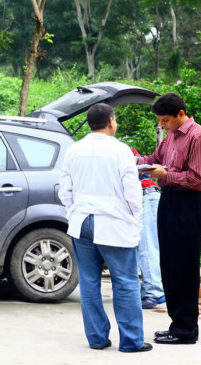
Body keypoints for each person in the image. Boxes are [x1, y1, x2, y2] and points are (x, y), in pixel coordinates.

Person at [59, 103, 152, 352]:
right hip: (114, 222)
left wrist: (73, 211)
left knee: (89, 282)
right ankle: (131, 341)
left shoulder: (74, 150)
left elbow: (64, 190)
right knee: (125, 281)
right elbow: (132, 189)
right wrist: (135, 216)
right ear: (111, 121)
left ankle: (97, 339)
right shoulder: (121, 151)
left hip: (82, 222)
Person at [135, 92, 201, 345]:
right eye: (160, 121)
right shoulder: (171, 137)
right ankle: (176, 324)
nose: (162, 125)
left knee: (184, 269)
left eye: (165, 120)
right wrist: (133, 160)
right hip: (168, 201)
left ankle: (186, 330)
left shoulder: (198, 136)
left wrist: (166, 175)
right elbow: (153, 161)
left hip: (187, 204)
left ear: (181, 114)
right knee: (169, 266)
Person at [131, 148, 165, 309]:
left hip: (146, 196)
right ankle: (150, 289)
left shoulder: (123, 150)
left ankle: (153, 292)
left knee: (147, 246)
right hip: (143, 198)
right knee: (143, 247)